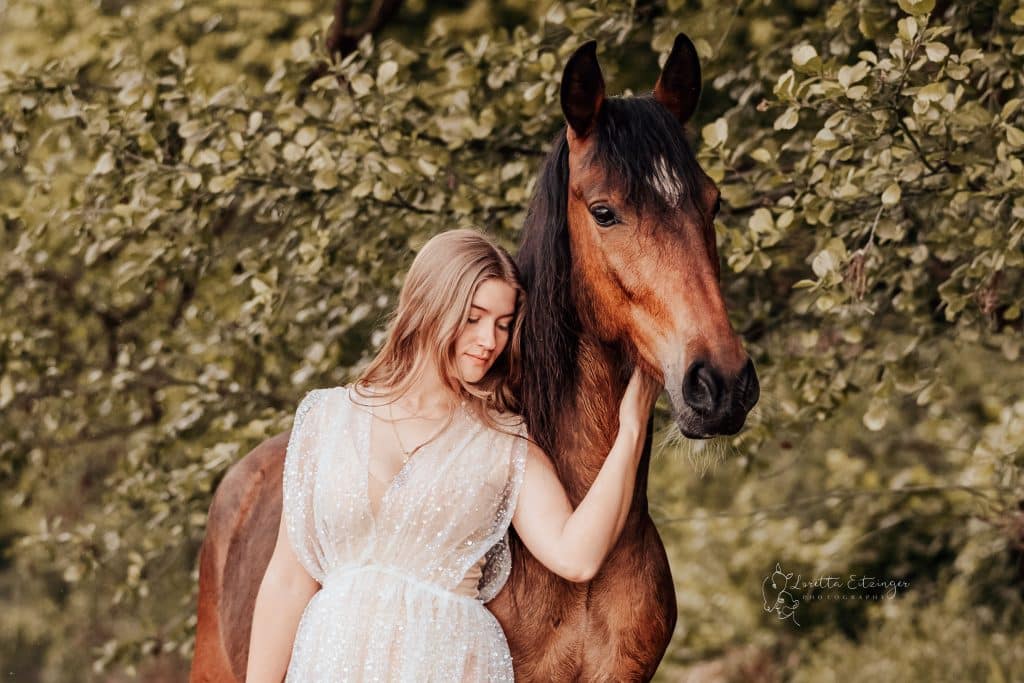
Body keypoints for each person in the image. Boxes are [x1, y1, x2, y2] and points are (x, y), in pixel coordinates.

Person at [246, 228, 657, 682]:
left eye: (503, 324)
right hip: (331, 662)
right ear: (430, 306)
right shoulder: (327, 418)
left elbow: (576, 555)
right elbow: (288, 581)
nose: (490, 340)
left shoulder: (500, 441)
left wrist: (632, 429)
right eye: (474, 318)